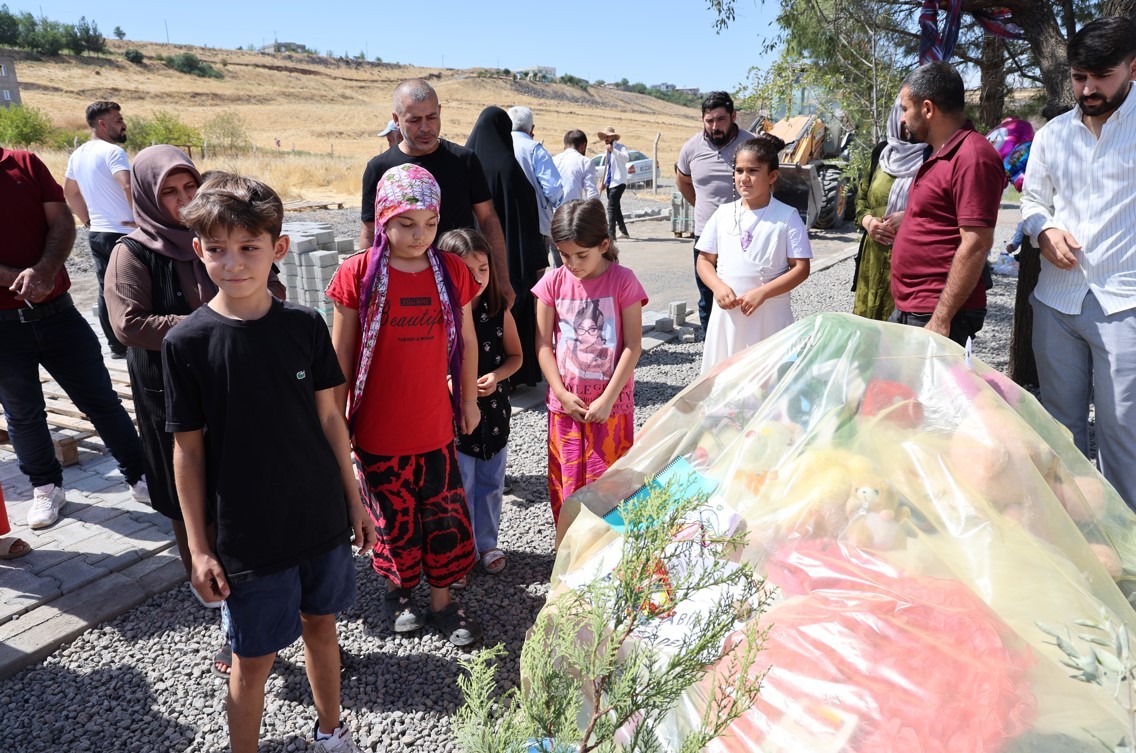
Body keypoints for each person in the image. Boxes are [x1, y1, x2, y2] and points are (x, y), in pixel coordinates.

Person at [164, 174, 376, 753]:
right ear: (198, 249)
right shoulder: (188, 342)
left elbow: (333, 420)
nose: (233, 263)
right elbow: (187, 448)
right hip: (248, 536)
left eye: (248, 247)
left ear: (277, 249)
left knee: (322, 627)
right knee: (252, 658)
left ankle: (331, 730)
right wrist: (201, 547)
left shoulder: (304, 326)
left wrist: (354, 500)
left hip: (319, 519)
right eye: (216, 249)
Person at [327, 164, 484, 647]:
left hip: (434, 425)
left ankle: (442, 601)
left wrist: (468, 399)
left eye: (430, 224)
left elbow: (468, 340)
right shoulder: (357, 273)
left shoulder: (452, 270)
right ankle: (399, 592)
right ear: (383, 219)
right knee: (394, 520)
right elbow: (341, 355)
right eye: (406, 224)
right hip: (378, 431)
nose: (419, 236)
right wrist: (336, 422)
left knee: (442, 516)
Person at [1020, 16, 1136, 510]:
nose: (1087, 89)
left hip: (1125, 304)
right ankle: (1074, 544)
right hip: (1056, 301)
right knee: (1059, 432)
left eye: (1100, 77)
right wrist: (1043, 229)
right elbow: (1031, 202)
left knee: (1124, 435)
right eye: (1078, 77)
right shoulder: (1052, 137)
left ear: (1133, 68)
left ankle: (1127, 558)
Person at [0, 146, 148, 530]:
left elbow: (62, 220)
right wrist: (21, 277)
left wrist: (45, 269)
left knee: (100, 399)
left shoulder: (24, 163)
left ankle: (140, 476)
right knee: (23, 413)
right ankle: (46, 488)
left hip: (59, 313)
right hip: (2, 325)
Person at [533, 199, 647, 526]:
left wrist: (608, 399)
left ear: (604, 245)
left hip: (611, 406)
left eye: (582, 255)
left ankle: (608, 555)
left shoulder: (624, 282)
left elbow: (632, 346)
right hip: (565, 405)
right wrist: (561, 393)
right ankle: (570, 552)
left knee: (610, 483)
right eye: (564, 255)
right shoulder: (551, 283)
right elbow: (543, 345)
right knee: (565, 482)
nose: (572, 264)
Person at [358, 79, 512, 303]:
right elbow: (370, 232)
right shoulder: (379, 168)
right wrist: (366, 286)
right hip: (404, 289)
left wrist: (502, 279)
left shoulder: (464, 161)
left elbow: (488, 219)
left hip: (461, 287)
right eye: (414, 120)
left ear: (440, 112)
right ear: (396, 120)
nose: (425, 128)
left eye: (431, 117)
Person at [889, 61, 1004, 347]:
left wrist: (942, 317)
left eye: (905, 109)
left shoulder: (972, 156)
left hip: (937, 311)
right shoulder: (935, 152)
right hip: (915, 305)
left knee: (927, 392)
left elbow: (976, 243)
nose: (902, 119)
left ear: (927, 109)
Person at [437, 228, 522, 578]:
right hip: (452, 421)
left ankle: (487, 543)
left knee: (490, 485)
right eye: (465, 270)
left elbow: (516, 357)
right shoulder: (437, 320)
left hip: (495, 417)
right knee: (459, 488)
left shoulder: (499, 313)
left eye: (483, 269)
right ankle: (461, 550)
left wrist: (497, 376)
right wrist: (446, 383)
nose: (476, 278)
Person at [697, 135, 812, 374]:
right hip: (727, 318)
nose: (743, 178)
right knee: (725, 379)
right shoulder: (723, 213)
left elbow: (801, 268)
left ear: (772, 176)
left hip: (768, 316)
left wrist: (763, 292)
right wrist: (718, 287)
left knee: (767, 381)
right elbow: (704, 260)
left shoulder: (787, 216)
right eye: (738, 170)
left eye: (752, 170)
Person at [466, 106, 547, 386]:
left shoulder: (466, 163)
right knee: (514, 316)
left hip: (473, 260)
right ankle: (515, 375)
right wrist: (538, 262)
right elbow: (527, 219)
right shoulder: (509, 167)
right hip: (514, 258)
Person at [676, 92, 759, 332]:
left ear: (733, 116)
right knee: (708, 294)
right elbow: (683, 180)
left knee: (745, 289)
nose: (715, 126)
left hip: (745, 232)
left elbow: (769, 183)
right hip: (706, 234)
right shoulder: (691, 148)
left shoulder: (751, 144)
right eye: (709, 120)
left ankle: (744, 342)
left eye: (721, 119)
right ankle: (711, 347)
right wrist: (700, 205)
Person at [63, 100, 135, 359]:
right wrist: (140, 220)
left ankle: (117, 346)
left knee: (107, 289)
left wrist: (88, 220)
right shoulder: (113, 152)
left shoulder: (78, 154)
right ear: (102, 124)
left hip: (98, 233)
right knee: (136, 289)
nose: (123, 124)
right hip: (125, 233)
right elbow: (127, 186)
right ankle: (138, 342)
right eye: (118, 120)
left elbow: (69, 192)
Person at [851, 99, 925, 321]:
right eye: (901, 112)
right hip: (872, 260)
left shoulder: (933, 156)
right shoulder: (882, 153)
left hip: (910, 262)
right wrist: (868, 222)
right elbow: (861, 199)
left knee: (898, 336)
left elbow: (944, 208)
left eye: (909, 112)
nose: (905, 120)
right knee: (867, 331)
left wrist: (910, 217)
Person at [508, 106, 564, 246]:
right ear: (532, 128)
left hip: (504, 223)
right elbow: (552, 189)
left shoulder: (497, 146)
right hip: (535, 224)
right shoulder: (535, 150)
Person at [596, 126, 632, 240]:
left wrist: (613, 151)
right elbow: (608, 168)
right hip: (610, 183)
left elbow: (626, 159)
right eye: (604, 137)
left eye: (607, 136)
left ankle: (611, 234)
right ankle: (624, 232)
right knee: (616, 208)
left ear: (612, 136)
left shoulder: (621, 148)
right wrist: (603, 183)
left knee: (611, 207)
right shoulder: (606, 150)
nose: (606, 138)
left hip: (619, 182)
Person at [553, 129, 599, 204]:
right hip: (572, 211)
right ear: (583, 145)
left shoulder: (554, 160)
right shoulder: (585, 162)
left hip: (554, 211)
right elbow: (592, 195)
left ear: (565, 145)